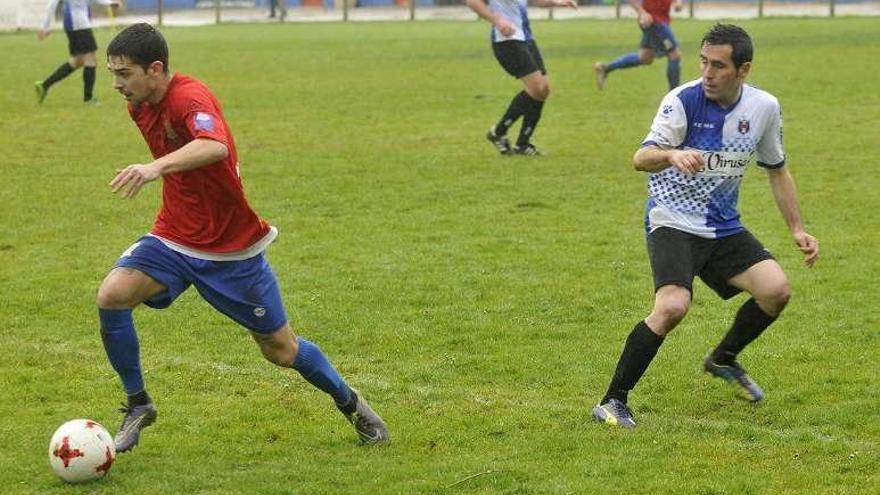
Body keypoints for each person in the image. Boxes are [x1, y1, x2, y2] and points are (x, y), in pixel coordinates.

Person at [100, 23, 389, 451]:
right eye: (113, 73)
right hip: (175, 235)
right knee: (112, 295)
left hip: (231, 249)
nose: (116, 84)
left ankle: (350, 403)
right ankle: (138, 403)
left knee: (281, 349)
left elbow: (214, 145)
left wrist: (155, 168)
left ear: (155, 69)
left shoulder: (189, 97)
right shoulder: (139, 104)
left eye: (124, 73)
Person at [592, 24, 819, 429]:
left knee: (776, 291)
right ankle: (612, 401)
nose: (708, 73)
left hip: (721, 226)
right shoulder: (683, 100)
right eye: (703, 62)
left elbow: (777, 170)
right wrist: (672, 155)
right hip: (672, 220)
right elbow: (640, 158)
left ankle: (723, 358)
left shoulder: (763, 108)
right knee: (672, 306)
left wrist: (797, 228)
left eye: (718, 65)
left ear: (743, 70)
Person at [466, 0, 577, 156]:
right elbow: (472, 2)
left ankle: (522, 144)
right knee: (537, 88)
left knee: (543, 90)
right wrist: (497, 21)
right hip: (506, 40)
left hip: (526, 39)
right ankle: (499, 132)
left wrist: (556, 2)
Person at [35, 0, 118, 104]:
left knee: (76, 61)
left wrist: (109, 3)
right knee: (91, 60)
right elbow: (52, 4)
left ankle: (44, 85)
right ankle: (88, 99)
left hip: (77, 24)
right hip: (79, 25)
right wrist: (45, 27)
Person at [593, 0, 683, 92]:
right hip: (653, 21)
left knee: (645, 57)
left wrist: (678, 2)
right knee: (674, 54)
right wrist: (642, 12)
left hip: (659, 21)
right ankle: (674, 96)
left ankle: (606, 68)